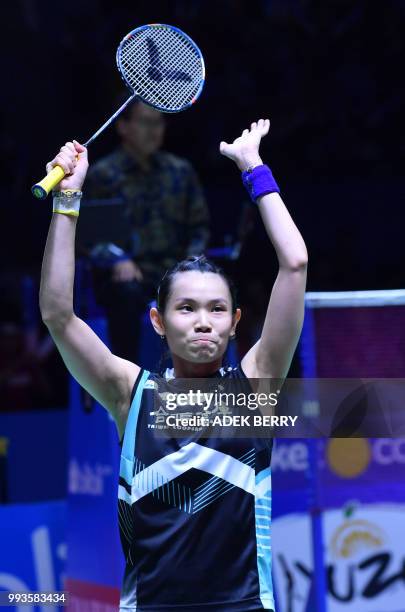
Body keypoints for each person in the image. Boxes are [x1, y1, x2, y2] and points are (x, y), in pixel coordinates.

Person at [40, 118, 308, 611]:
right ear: (158, 322)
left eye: (217, 309)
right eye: (187, 309)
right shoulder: (130, 394)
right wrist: (68, 200)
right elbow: (58, 314)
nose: (203, 322)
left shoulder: (256, 386)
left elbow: (294, 264)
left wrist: (254, 169)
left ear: (234, 322)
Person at [84, 100, 210, 362]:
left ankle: (200, 384)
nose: (153, 130)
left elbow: (199, 228)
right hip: (126, 277)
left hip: (175, 271)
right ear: (123, 127)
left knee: (209, 289)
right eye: (145, 122)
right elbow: (89, 237)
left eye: (159, 122)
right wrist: (118, 258)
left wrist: (189, 266)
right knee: (125, 293)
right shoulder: (102, 175)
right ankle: (127, 382)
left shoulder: (180, 171)